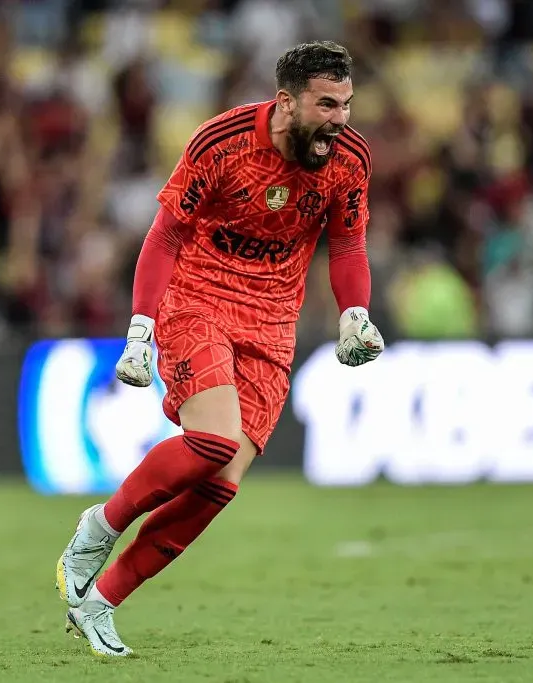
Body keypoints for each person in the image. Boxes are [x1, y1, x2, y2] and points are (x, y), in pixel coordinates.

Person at [55, 41, 385, 658]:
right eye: (326, 105)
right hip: (198, 300)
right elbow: (165, 234)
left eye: (346, 104)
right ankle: (100, 525)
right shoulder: (223, 142)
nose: (340, 119)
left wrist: (354, 314)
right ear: (286, 102)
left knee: (221, 482)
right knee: (213, 441)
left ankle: (101, 601)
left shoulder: (350, 159)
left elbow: (347, 243)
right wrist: (140, 328)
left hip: (273, 324)